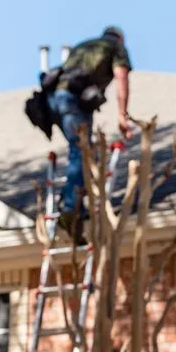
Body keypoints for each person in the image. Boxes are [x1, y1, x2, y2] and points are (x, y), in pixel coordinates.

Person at [47, 26, 133, 232]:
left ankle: (72, 198)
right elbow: (121, 76)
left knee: (84, 151)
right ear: (120, 39)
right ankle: (71, 209)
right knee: (81, 152)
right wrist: (123, 114)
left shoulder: (84, 45)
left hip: (54, 101)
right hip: (73, 102)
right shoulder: (115, 47)